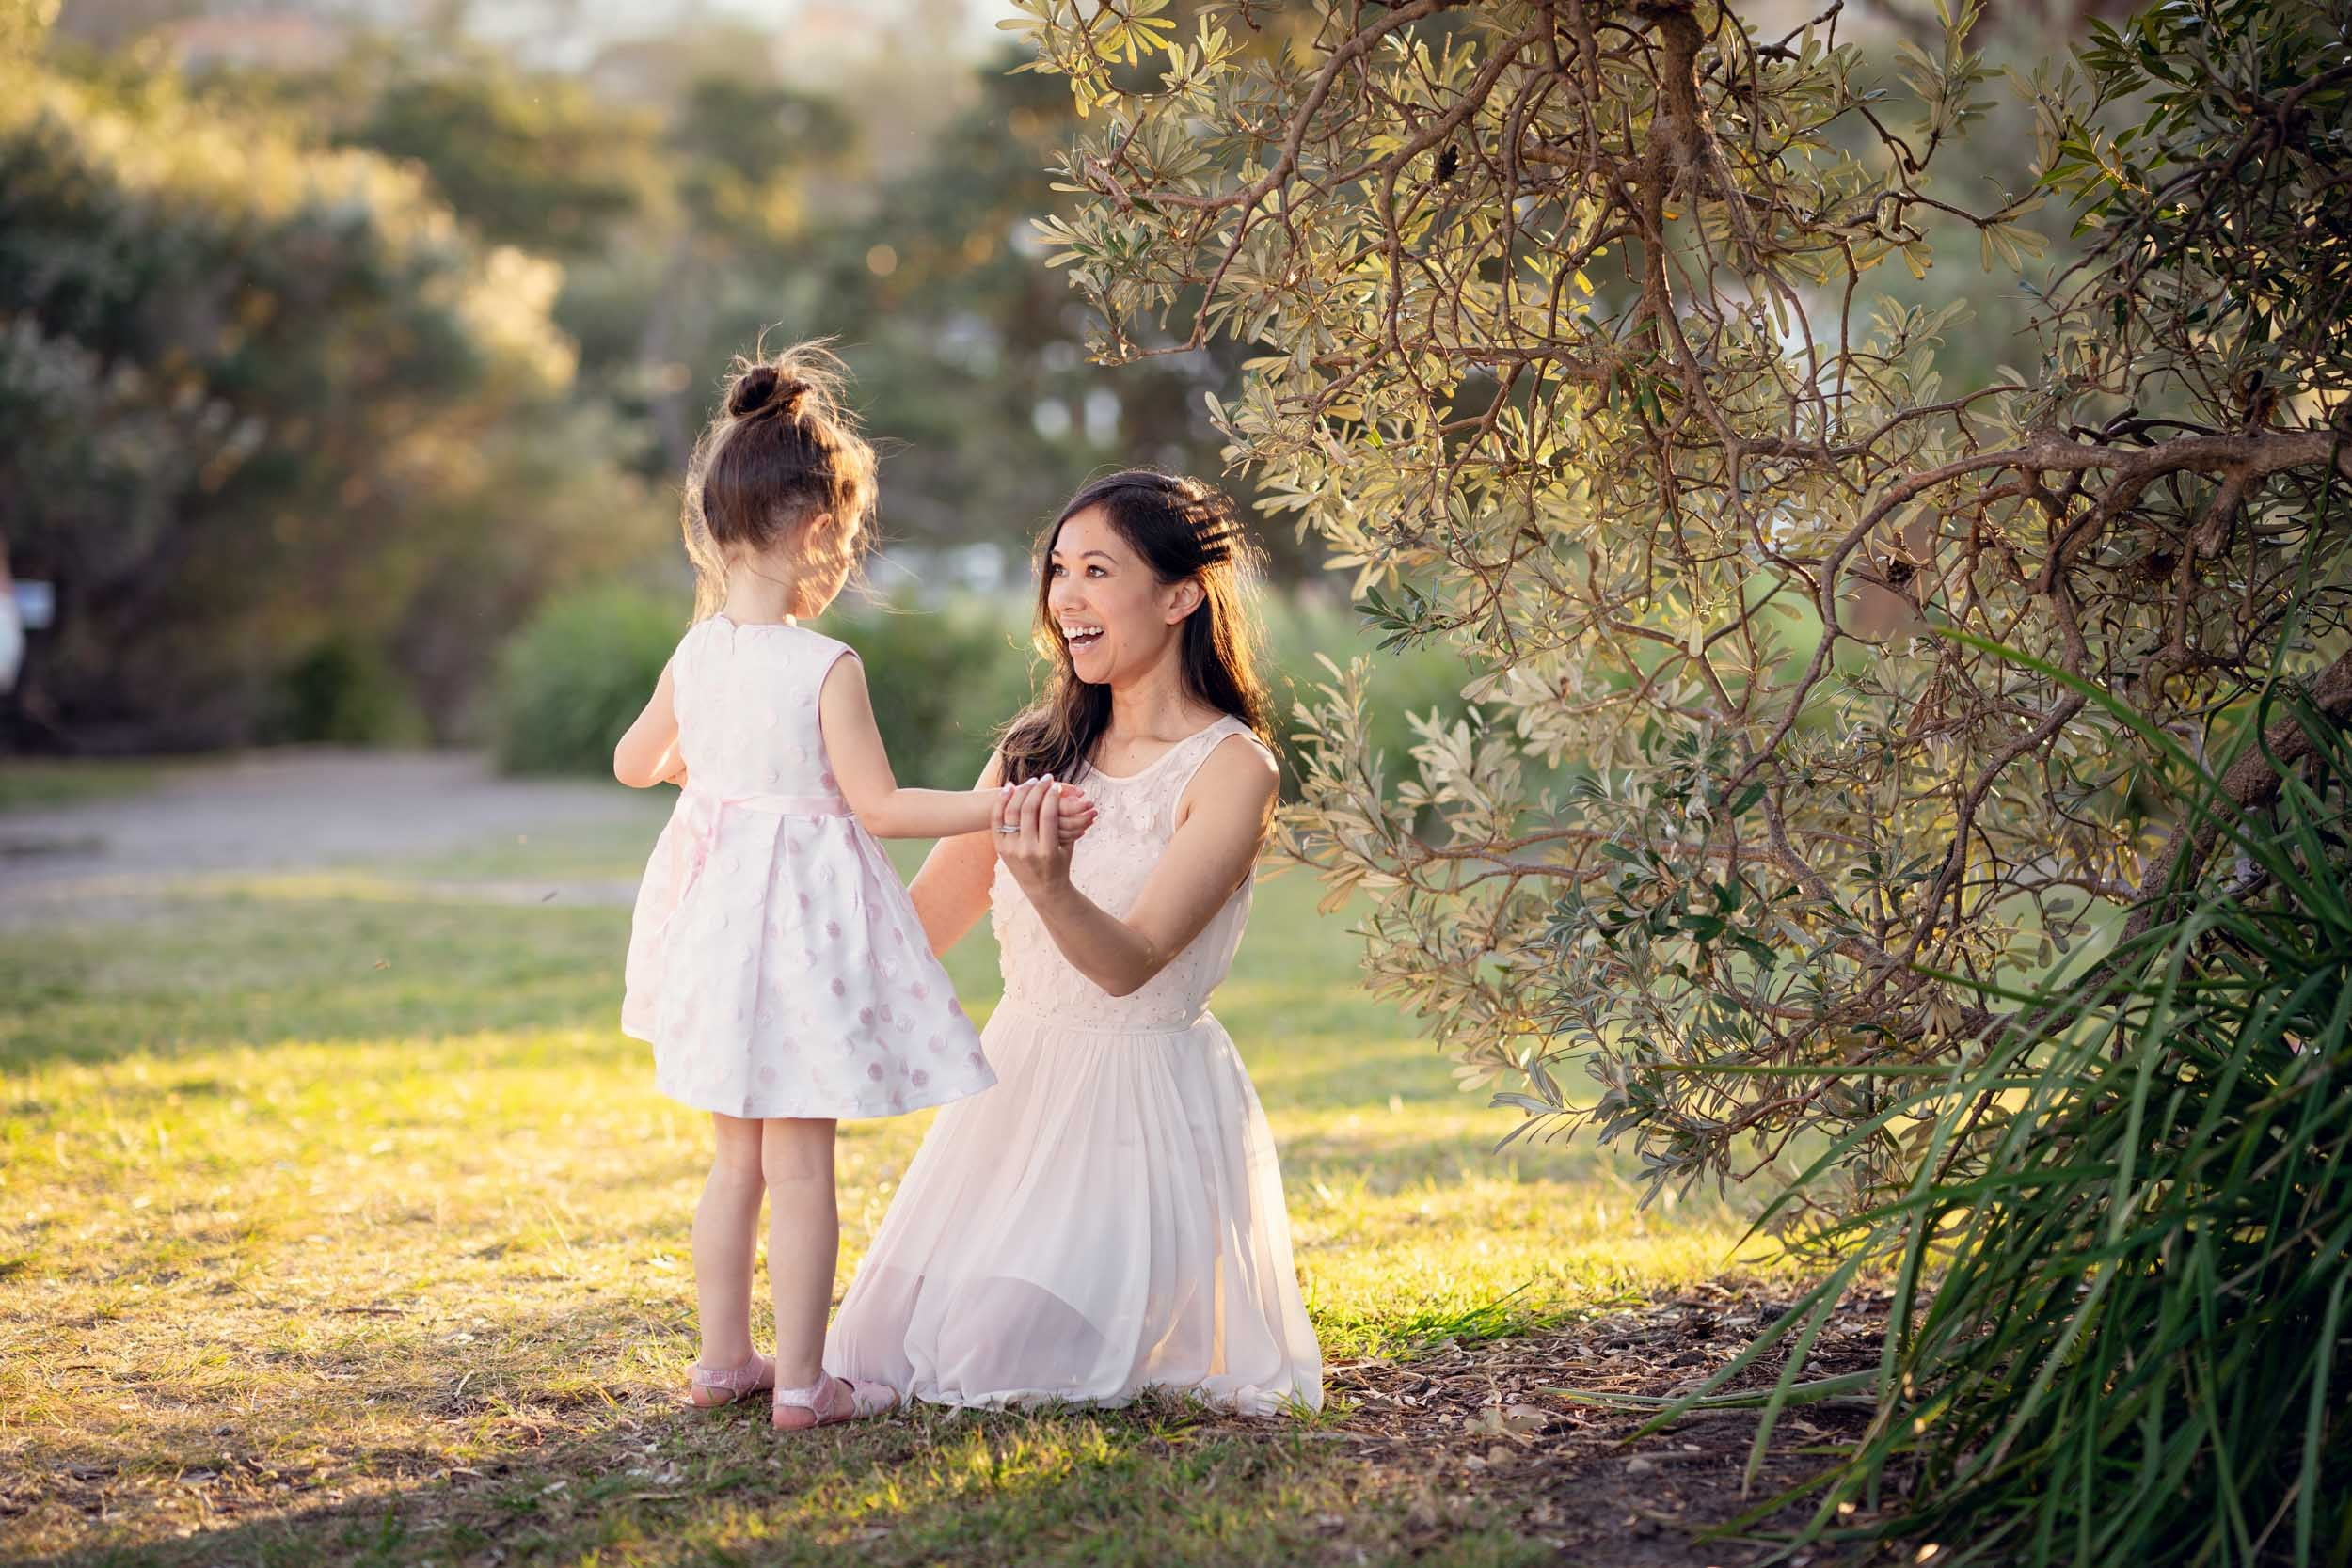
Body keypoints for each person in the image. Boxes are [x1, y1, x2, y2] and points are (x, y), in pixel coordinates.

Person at [612, 344, 1097, 1430]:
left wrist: (699, 769)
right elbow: (877, 806)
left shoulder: (694, 657)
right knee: (802, 1159)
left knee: (732, 1155)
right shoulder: (824, 664)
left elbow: (632, 764)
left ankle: (719, 1360)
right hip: (797, 939)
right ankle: (802, 1382)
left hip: (713, 930)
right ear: (817, 530)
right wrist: (1001, 804)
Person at [826, 470, 1324, 1416]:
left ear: (1179, 595)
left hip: (1137, 1113)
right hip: (1013, 1093)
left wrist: (1050, 884)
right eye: (1058, 569)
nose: (1066, 597)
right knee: (873, 1348)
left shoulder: (1233, 769)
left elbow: (1129, 962)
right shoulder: (1031, 748)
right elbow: (926, 921)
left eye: (1098, 570)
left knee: (988, 1356)